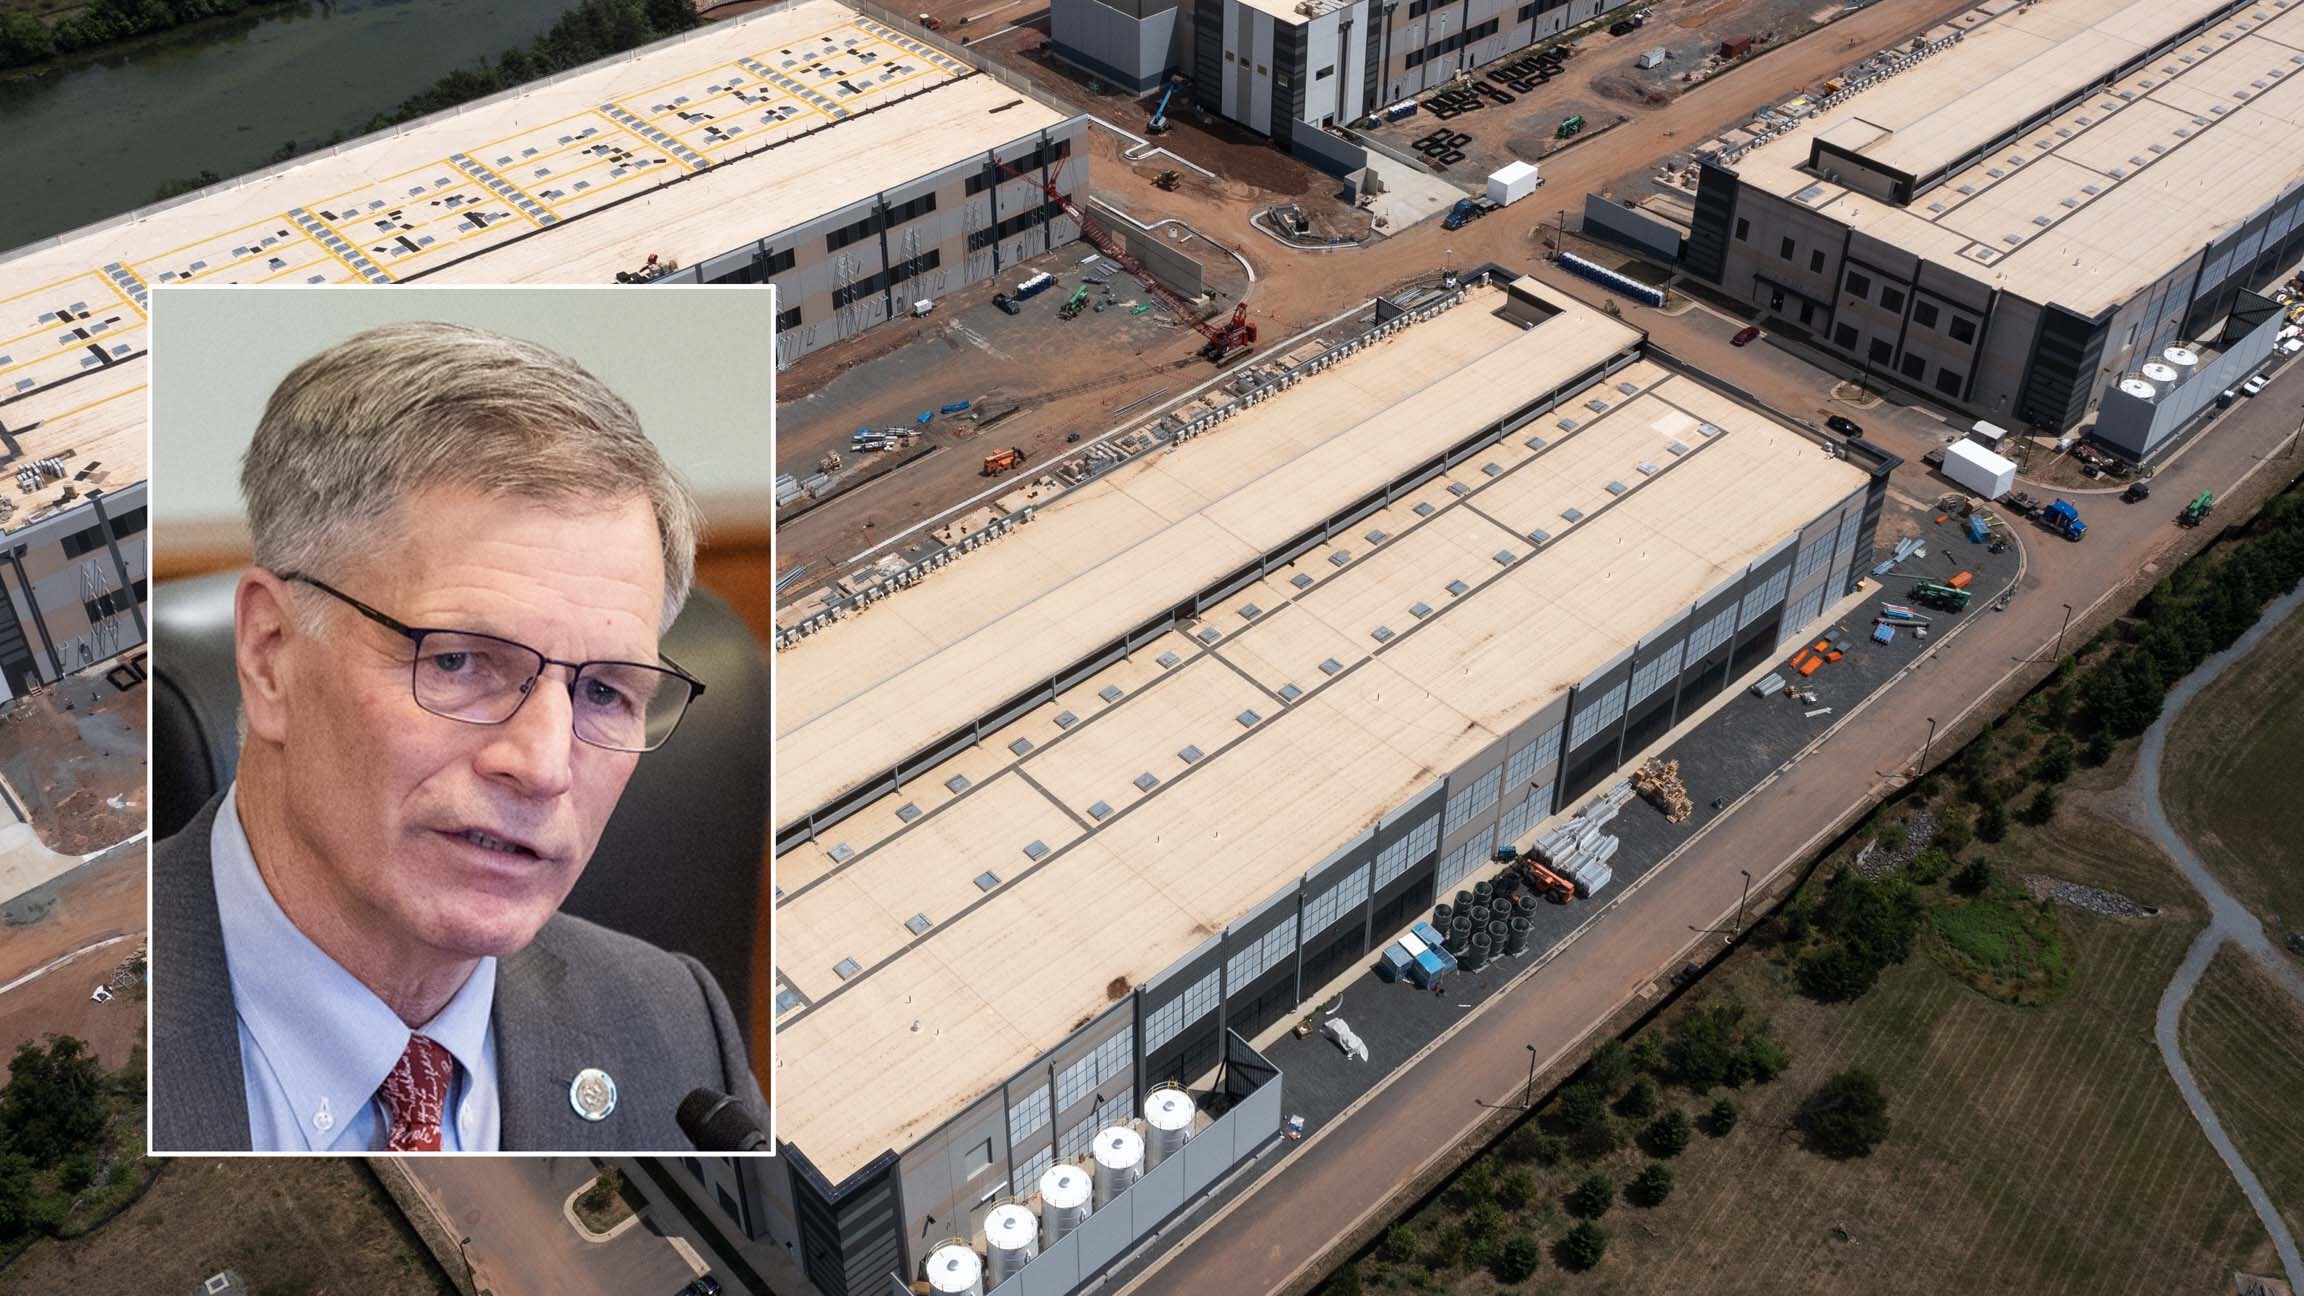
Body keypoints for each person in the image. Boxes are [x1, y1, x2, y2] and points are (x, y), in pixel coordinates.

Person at [151, 321, 768, 1153]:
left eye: (606, 692)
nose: (544, 766)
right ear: (272, 655)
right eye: (460, 662)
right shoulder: (51, 1028)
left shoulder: (675, 1032)